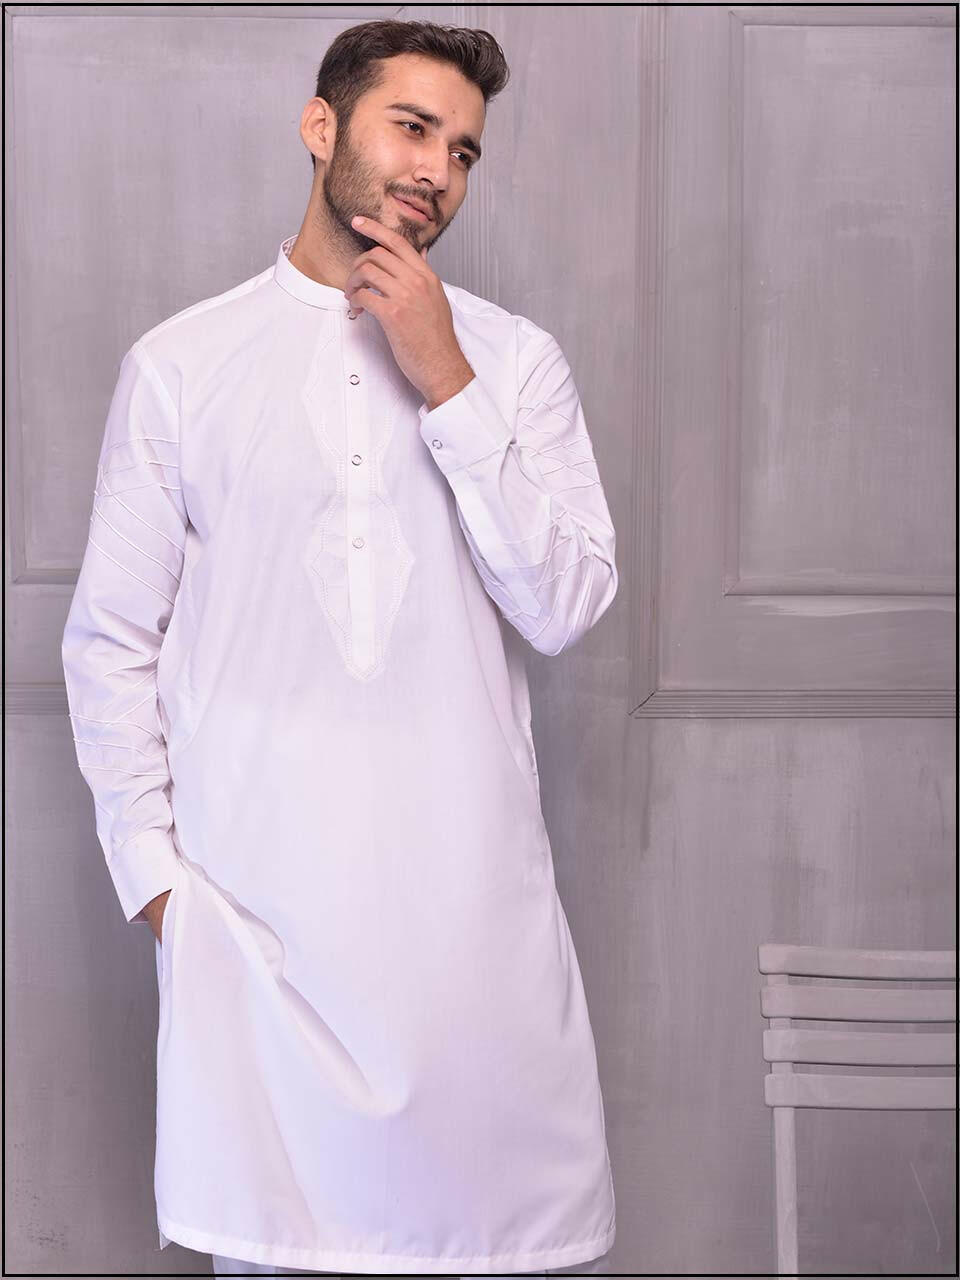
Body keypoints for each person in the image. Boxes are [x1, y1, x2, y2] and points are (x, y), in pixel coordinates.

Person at [62, 18, 618, 1277]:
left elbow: (565, 602)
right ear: (323, 128)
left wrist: (447, 378)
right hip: (260, 959)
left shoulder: (514, 364)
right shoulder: (183, 366)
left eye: (463, 150)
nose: (437, 169)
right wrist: (159, 887)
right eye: (411, 128)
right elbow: (109, 643)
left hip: (472, 961)